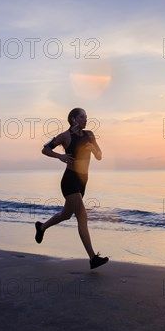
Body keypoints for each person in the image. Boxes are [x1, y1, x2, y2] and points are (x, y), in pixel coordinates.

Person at [35, 108, 109, 269]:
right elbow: (45, 149)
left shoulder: (89, 135)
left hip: (83, 182)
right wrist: (60, 156)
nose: (86, 119)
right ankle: (93, 258)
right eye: (82, 117)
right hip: (69, 181)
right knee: (82, 216)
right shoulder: (65, 136)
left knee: (66, 215)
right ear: (73, 119)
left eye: (86, 117)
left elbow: (100, 156)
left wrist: (94, 149)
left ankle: (41, 227)